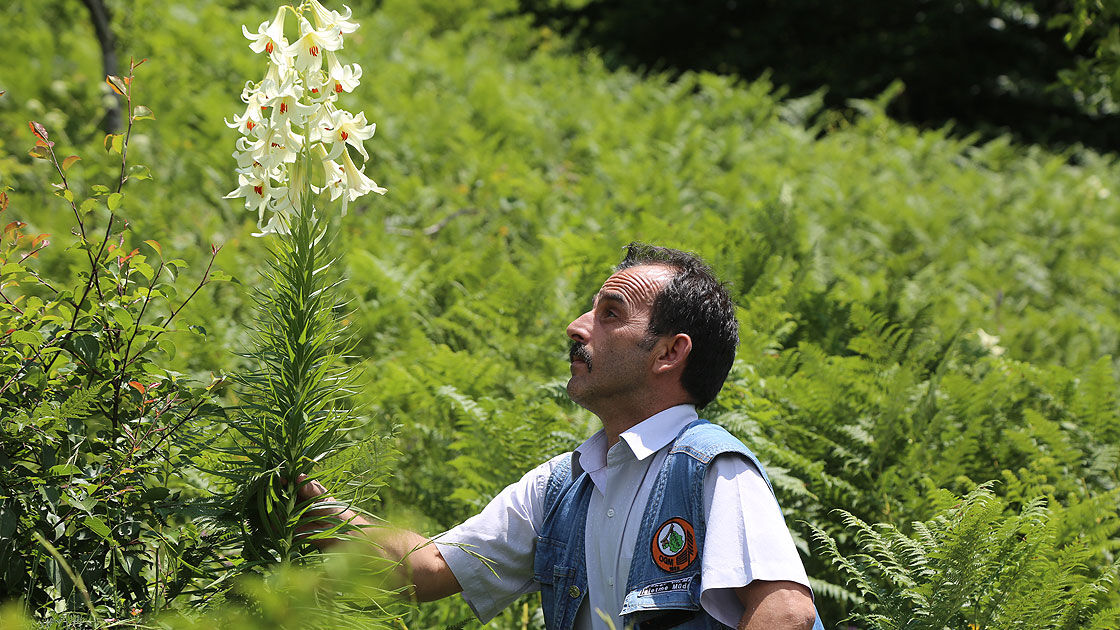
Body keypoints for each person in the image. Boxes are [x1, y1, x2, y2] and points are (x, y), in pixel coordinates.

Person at [298, 243, 823, 630]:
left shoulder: (712, 467)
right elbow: (425, 570)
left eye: (610, 314)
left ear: (669, 352)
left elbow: (786, 612)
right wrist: (303, 501)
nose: (576, 326)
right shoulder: (560, 488)